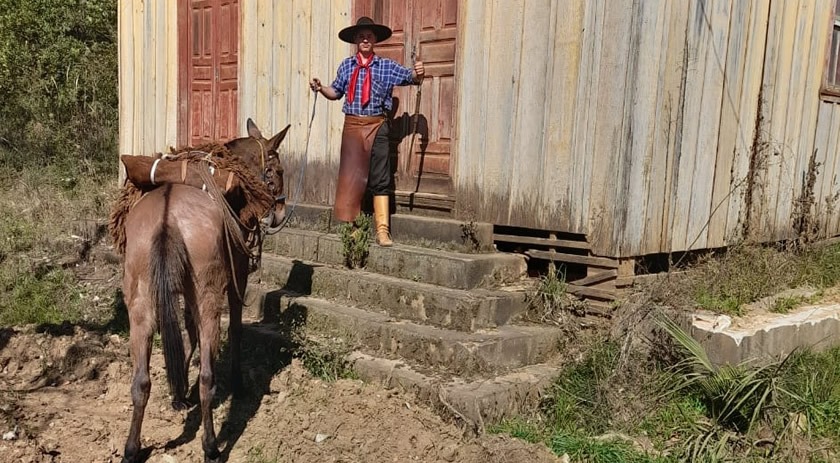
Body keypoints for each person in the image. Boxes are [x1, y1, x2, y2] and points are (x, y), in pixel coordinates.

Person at [310, 16, 424, 247]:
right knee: (351, 177)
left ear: (374, 41)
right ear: (355, 40)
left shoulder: (386, 66)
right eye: (361, 36)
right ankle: (352, 229)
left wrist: (418, 72)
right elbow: (336, 92)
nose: (365, 39)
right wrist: (321, 88)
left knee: (380, 177)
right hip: (352, 126)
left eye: (369, 36)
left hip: (378, 126)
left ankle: (382, 230)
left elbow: (410, 77)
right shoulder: (346, 66)